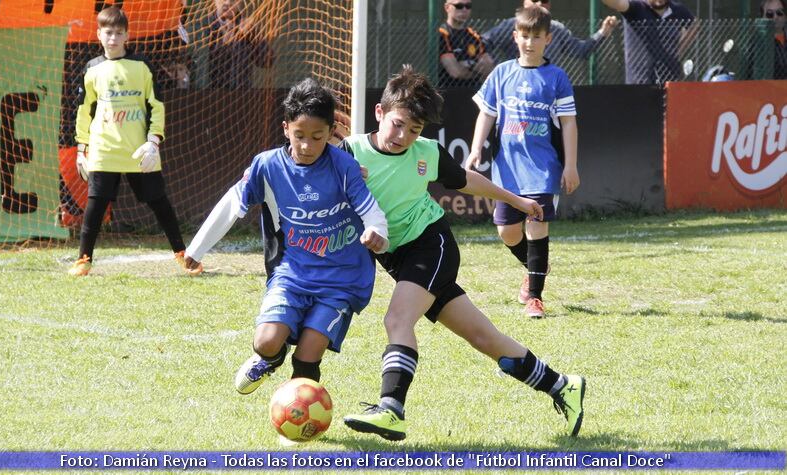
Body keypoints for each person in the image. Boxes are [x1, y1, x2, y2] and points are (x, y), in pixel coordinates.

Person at [339, 65, 585, 441]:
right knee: (484, 338)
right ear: (379, 113)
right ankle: (563, 386)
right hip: (397, 259)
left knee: (397, 320)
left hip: (431, 247)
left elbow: (468, 181)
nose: (404, 137)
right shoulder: (350, 152)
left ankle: (391, 407)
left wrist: (516, 200)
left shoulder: (427, 153)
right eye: (398, 124)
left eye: (415, 130)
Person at [183, 79, 389, 400]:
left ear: (331, 130)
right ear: (285, 128)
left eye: (317, 137)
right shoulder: (267, 166)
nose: (307, 145)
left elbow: (371, 210)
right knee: (266, 341)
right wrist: (197, 248)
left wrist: (377, 231)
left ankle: (299, 418)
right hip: (293, 275)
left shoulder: (345, 167)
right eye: (299, 136)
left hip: (341, 279)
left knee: (309, 351)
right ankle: (271, 357)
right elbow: (231, 202)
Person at [466, 4, 578, 319]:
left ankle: (535, 297)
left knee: (536, 226)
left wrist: (570, 165)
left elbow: (569, 123)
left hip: (543, 170)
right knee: (507, 232)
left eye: (536, 37)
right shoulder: (501, 73)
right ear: (516, 36)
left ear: (548, 39)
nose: (530, 42)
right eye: (524, 36)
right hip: (507, 171)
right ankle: (535, 266)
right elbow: (486, 113)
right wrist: (476, 149)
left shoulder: (556, 77)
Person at [69, 6, 193, 277]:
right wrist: (82, 149)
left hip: (140, 150)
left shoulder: (142, 66)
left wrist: (154, 141)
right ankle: (84, 260)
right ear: (98, 34)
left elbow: (157, 106)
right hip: (104, 150)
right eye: (108, 33)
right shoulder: (91, 70)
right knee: (95, 205)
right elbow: (83, 111)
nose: (113, 38)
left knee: (159, 202)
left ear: (127, 36)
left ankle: (183, 255)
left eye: (118, 33)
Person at [483, 0, 619, 65]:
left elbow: (581, 51)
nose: (540, 4)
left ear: (548, 38)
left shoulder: (557, 29)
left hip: (548, 86)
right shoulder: (511, 25)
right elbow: (484, 42)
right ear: (524, 2)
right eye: (535, 0)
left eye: (544, 0)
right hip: (517, 86)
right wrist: (493, 65)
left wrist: (602, 32)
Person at [600, 0, 695, 84]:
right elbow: (615, 2)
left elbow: (694, 25)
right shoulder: (636, 7)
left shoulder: (677, 9)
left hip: (670, 80)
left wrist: (680, 49)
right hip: (640, 83)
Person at [208, 0, 274, 89]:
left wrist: (254, 35)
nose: (228, 3)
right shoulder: (203, 25)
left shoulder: (247, 25)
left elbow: (267, 62)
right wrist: (224, 43)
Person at [437, 1, 495, 88]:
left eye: (468, 6)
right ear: (447, 7)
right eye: (459, 6)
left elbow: (489, 67)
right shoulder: (442, 34)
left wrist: (467, 64)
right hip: (449, 92)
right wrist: (477, 69)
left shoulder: (474, 35)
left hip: (474, 91)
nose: (464, 10)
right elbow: (455, 72)